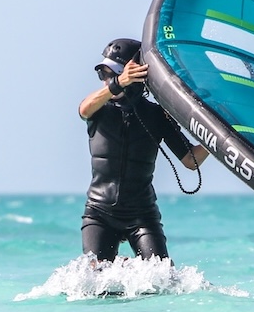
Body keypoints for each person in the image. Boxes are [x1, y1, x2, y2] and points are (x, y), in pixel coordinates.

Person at [77, 37, 209, 263]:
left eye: (115, 73)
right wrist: (117, 83)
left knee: (161, 277)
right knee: (94, 279)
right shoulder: (99, 109)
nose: (108, 80)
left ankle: (125, 268)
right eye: (105, 75)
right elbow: (83, 109)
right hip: (99, 211)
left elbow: (190, 160)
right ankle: (122, 268)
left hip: (142, 214)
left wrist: (216, 136)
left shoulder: (156, 115)